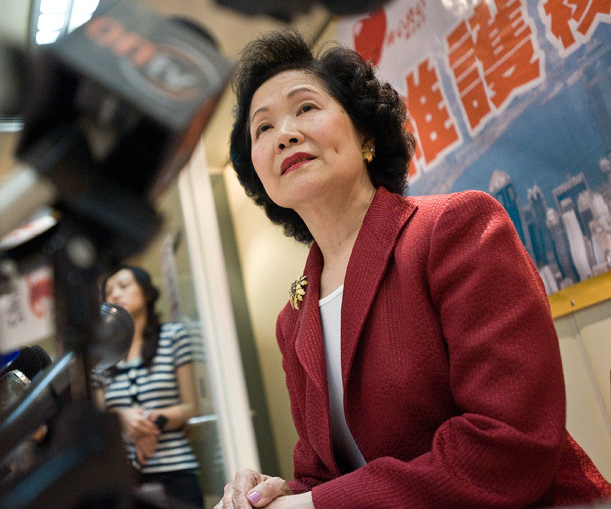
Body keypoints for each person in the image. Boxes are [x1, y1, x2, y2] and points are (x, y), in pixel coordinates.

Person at [216, 29, 611, 508]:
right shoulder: (292, 318)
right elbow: (326, 475)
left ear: (365, 133)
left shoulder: (454, 227)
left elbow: (510, 443)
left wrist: (312, 505)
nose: (286, 134)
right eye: (263, 128)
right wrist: (275, 493)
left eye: (305, 108)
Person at [92, 264, 203, 508]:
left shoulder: (173, 336)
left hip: (177, 473)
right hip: (127, 479)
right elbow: (98, 417)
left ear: (147, 293)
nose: (115, 295)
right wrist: (124, 417)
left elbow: (191, 407)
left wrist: (146, 425)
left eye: (123, 286)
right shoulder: (100, 355)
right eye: (108, 292)